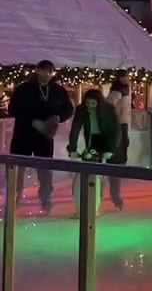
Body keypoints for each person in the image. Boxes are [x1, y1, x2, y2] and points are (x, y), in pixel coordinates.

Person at [7, 61, 74, 215]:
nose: (47, 74)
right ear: (37, 71)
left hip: (44, 137)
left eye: (50, 71)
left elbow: (68, 109)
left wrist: (58, 117)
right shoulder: (24, 89)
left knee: (45, 170)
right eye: (44, 71)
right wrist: (31, 121)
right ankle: (14, 199)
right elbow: (14, 108)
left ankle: (46, 200)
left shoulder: (57, 90)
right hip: (23, 134)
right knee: (17, 169)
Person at [66, 89, 125, 213]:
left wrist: (111, 150)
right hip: (93, 141)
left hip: (109, 140)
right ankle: (93, 204)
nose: (90, 107)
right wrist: (72, 148)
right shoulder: (81, 110)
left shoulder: (108, 109)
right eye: (88, 104)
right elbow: (75, 129)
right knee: (93, 173)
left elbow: (115, 130)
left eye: (93, 104)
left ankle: (116, 199)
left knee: (113, 175)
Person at [104, 70, 133, 165]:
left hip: (123, 121)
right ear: (121, 78)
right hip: (118, 122)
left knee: (124, 143)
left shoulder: (125, 89)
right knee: (119, 145)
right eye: (126, 77)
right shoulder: (118, 90)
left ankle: (121, 163)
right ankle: (116, 164)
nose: (128, 79)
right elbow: (109, 104)